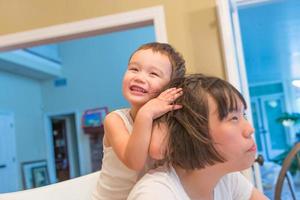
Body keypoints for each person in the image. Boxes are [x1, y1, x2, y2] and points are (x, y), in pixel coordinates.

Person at [128, 73, 269, 200]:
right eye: (233, 118)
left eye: (243, 115)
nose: (250, 129)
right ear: (192, 132)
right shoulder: (155, 195)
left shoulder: (226, 179)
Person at [92, 42, 186, 200]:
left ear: (172, 87)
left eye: (153, 74)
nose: (139, 77)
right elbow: (134, 161)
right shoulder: (115, 120)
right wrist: (146, 114)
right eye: (134, 69)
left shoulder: (169, 123)